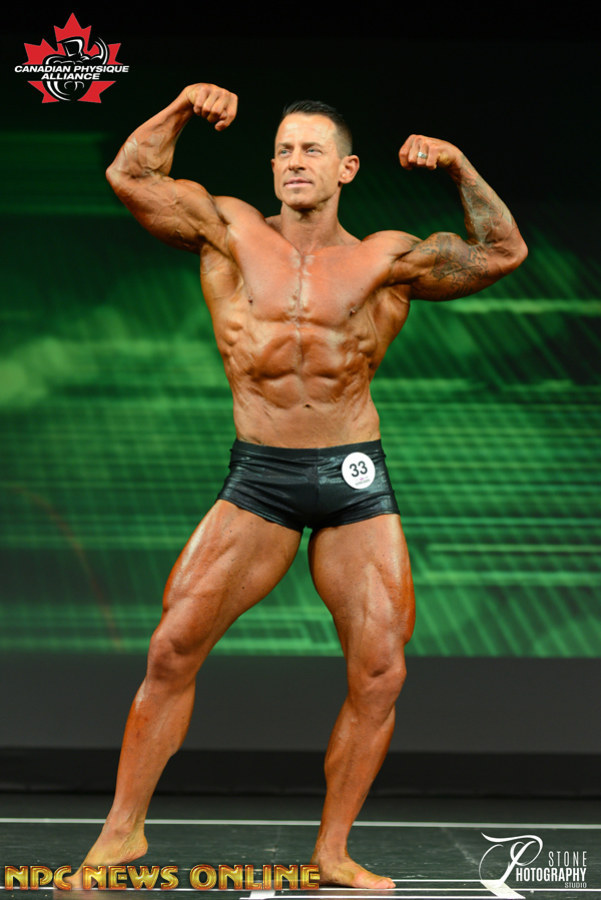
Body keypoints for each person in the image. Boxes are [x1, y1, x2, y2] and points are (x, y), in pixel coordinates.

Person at [68, 83, 527, 890]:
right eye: (283, 149)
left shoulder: (385, 257)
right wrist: (179, 108)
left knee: (380, 671)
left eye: (311, 149)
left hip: (353, 476)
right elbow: (131, 177)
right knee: (172, 648)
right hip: (262, 476)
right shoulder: (228, 229)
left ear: (346, 168)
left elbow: (500, 252)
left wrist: (458, 167)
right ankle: (120, 832)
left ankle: (332, 851)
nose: (293, 161)